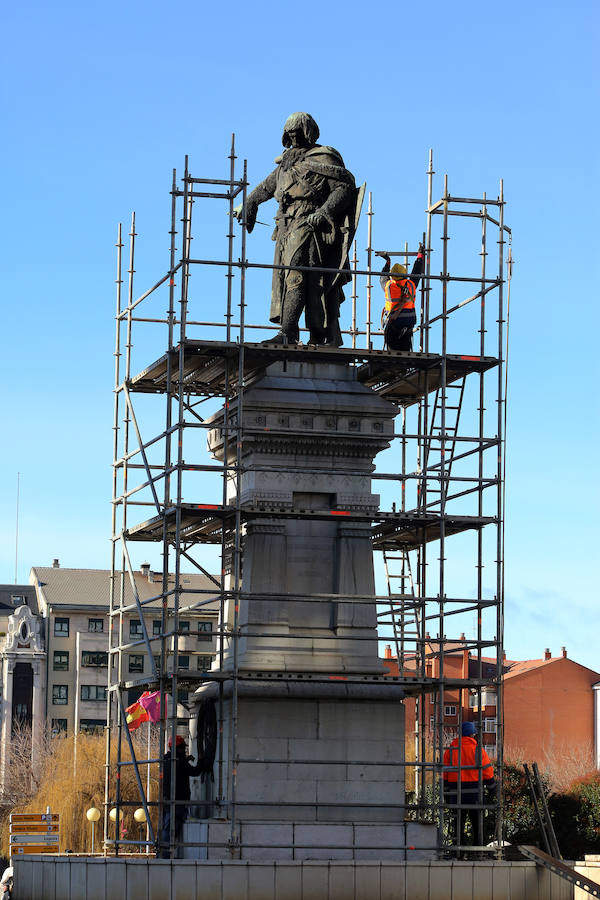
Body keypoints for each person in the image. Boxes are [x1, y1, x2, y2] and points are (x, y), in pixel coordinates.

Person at [234, 112, 359, 347]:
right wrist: (249, 202)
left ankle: (289, 333)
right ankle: (294, 333)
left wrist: (322, 214)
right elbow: (266, 188)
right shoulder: (288, 162)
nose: (293, 137)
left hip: (309, 226)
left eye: (297, 133)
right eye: (289, 134)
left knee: (297, 276)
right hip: (285, 227)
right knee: (286, 277)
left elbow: (343, 188)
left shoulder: (324, 158)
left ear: (308, 132)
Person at [443, 721, 496, 851]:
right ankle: (478, 851)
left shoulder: (450, 751)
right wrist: (492, 789)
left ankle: (458, 851)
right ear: (473, 734)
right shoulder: (479, 751)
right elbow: (487, 772)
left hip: (456, 794)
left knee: (458, 824)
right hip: (475, 794)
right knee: (477, 824)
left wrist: (446, 795)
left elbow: (444, 775)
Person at [159, 734, 202, 858]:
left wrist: (186, 760)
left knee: (166, 826)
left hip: (167, 799)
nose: (184, 751)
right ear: (177, 748)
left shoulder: (166, 760)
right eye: (182, 748)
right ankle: (165, 856)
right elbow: (195, 771)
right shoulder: (179, 762)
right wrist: (201, 761)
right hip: (178, 801)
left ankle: (162, 853)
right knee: (172, 827)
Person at [376, 243, 425, 350]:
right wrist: (420, 255)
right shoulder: (411, 284)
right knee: (405, 352)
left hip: (394, 322)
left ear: (392, 275)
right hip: (408, 323)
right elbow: (417, 271)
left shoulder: (388, 286)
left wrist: (388, 261)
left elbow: (383, 276)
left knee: (391, 352)